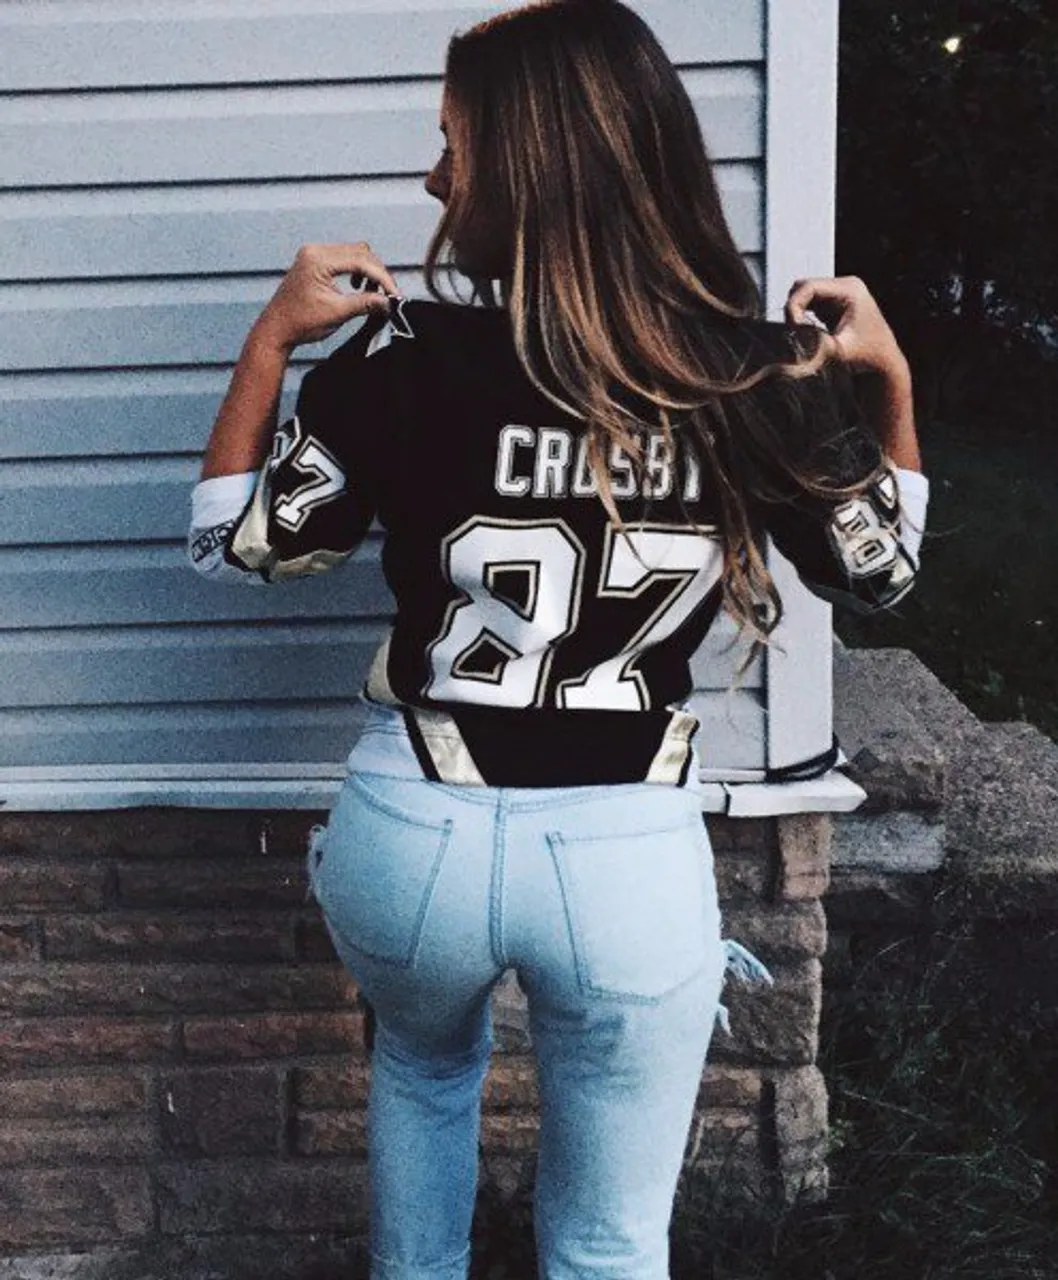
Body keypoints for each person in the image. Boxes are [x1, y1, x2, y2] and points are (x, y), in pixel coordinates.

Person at [187, 2, 927, 1276]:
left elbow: (234, 544)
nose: (433, 179)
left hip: (415, 823)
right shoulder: (757, 373)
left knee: (423, 1076)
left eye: (453, 146)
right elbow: (883, 575)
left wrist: (269, 339)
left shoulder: (405, 355)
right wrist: (891, 381)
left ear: (529, 168)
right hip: (625, 851)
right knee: (607, 1241)